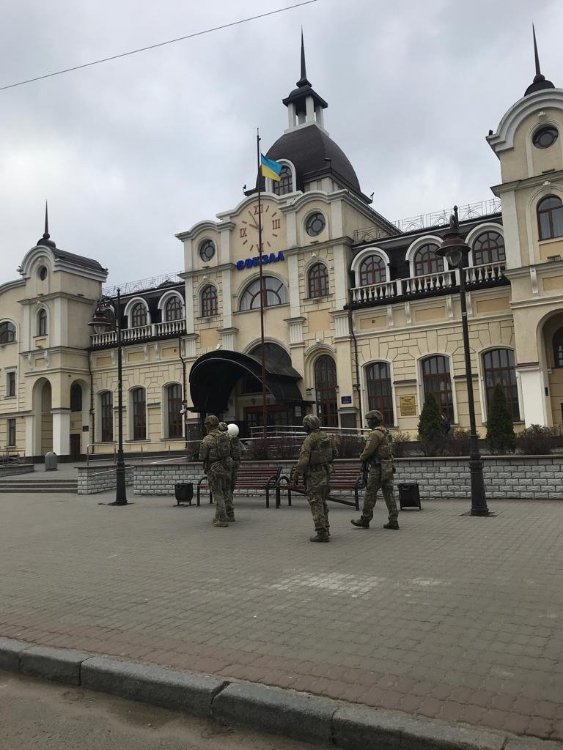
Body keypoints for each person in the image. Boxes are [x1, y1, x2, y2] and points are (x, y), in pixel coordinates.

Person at [351, 409, 399, 531]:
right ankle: (393, 520)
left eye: (369, 420)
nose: (367, 422)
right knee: (388, 493)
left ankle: (365, 519)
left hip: (377, 468)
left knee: (370, 494)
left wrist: (362, 457)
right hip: (387, 466)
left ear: (374, 421)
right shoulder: (385, 432)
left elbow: (368, 451)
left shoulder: (374, 434)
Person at [291, 414, 336, 543]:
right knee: (322, 501)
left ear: (308, 425)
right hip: (325, 473)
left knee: (316, 502)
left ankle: (321, 532)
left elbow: (304, 459)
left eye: (304, 424)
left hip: (314, 475)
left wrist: (296, 474)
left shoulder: (309, 439)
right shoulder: (326, 436)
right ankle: (326, 528)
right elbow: (334, 453)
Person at [199, 415, 232, 527]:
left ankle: (222, 520)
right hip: (225, 466)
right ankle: (226, 515)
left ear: (209, 425)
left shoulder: (207, 439)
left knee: (217, 494)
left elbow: (202, 456)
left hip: (213, 468)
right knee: (226, 491)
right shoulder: (225, 436)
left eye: (206, 424)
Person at [226, 422, 245, 522]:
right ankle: (230, 511)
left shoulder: (226, 441)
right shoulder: (238, 441)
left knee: (227, 490)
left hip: (228, 467)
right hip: (235, 467)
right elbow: (244, 451)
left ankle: (228, 513)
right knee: (231, 489)